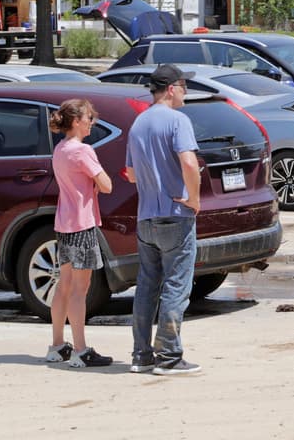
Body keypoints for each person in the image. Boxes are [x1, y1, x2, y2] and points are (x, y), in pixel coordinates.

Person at [125, 64, 202, 375]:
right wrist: (194, 199)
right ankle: (169, 357)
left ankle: (141, 356)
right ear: (171, 89)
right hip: (175, 215)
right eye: (184, 86)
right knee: (175, 286)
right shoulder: (177, 120)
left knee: (146, 287)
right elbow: (189, 163)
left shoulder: (138, 123)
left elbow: (131, 174)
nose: (186, 92)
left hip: (146, 218)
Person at [46, 99, 114, 368]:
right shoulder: (83, 151)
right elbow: (107, 185)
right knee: (79, 290)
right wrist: (97, 181)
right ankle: (80, 350)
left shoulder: (60, 149)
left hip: (64, 224)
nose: (91, 123)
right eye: (88, 118)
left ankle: (57, 345)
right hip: (82, 225)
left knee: (63, 285)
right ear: (76, 121)